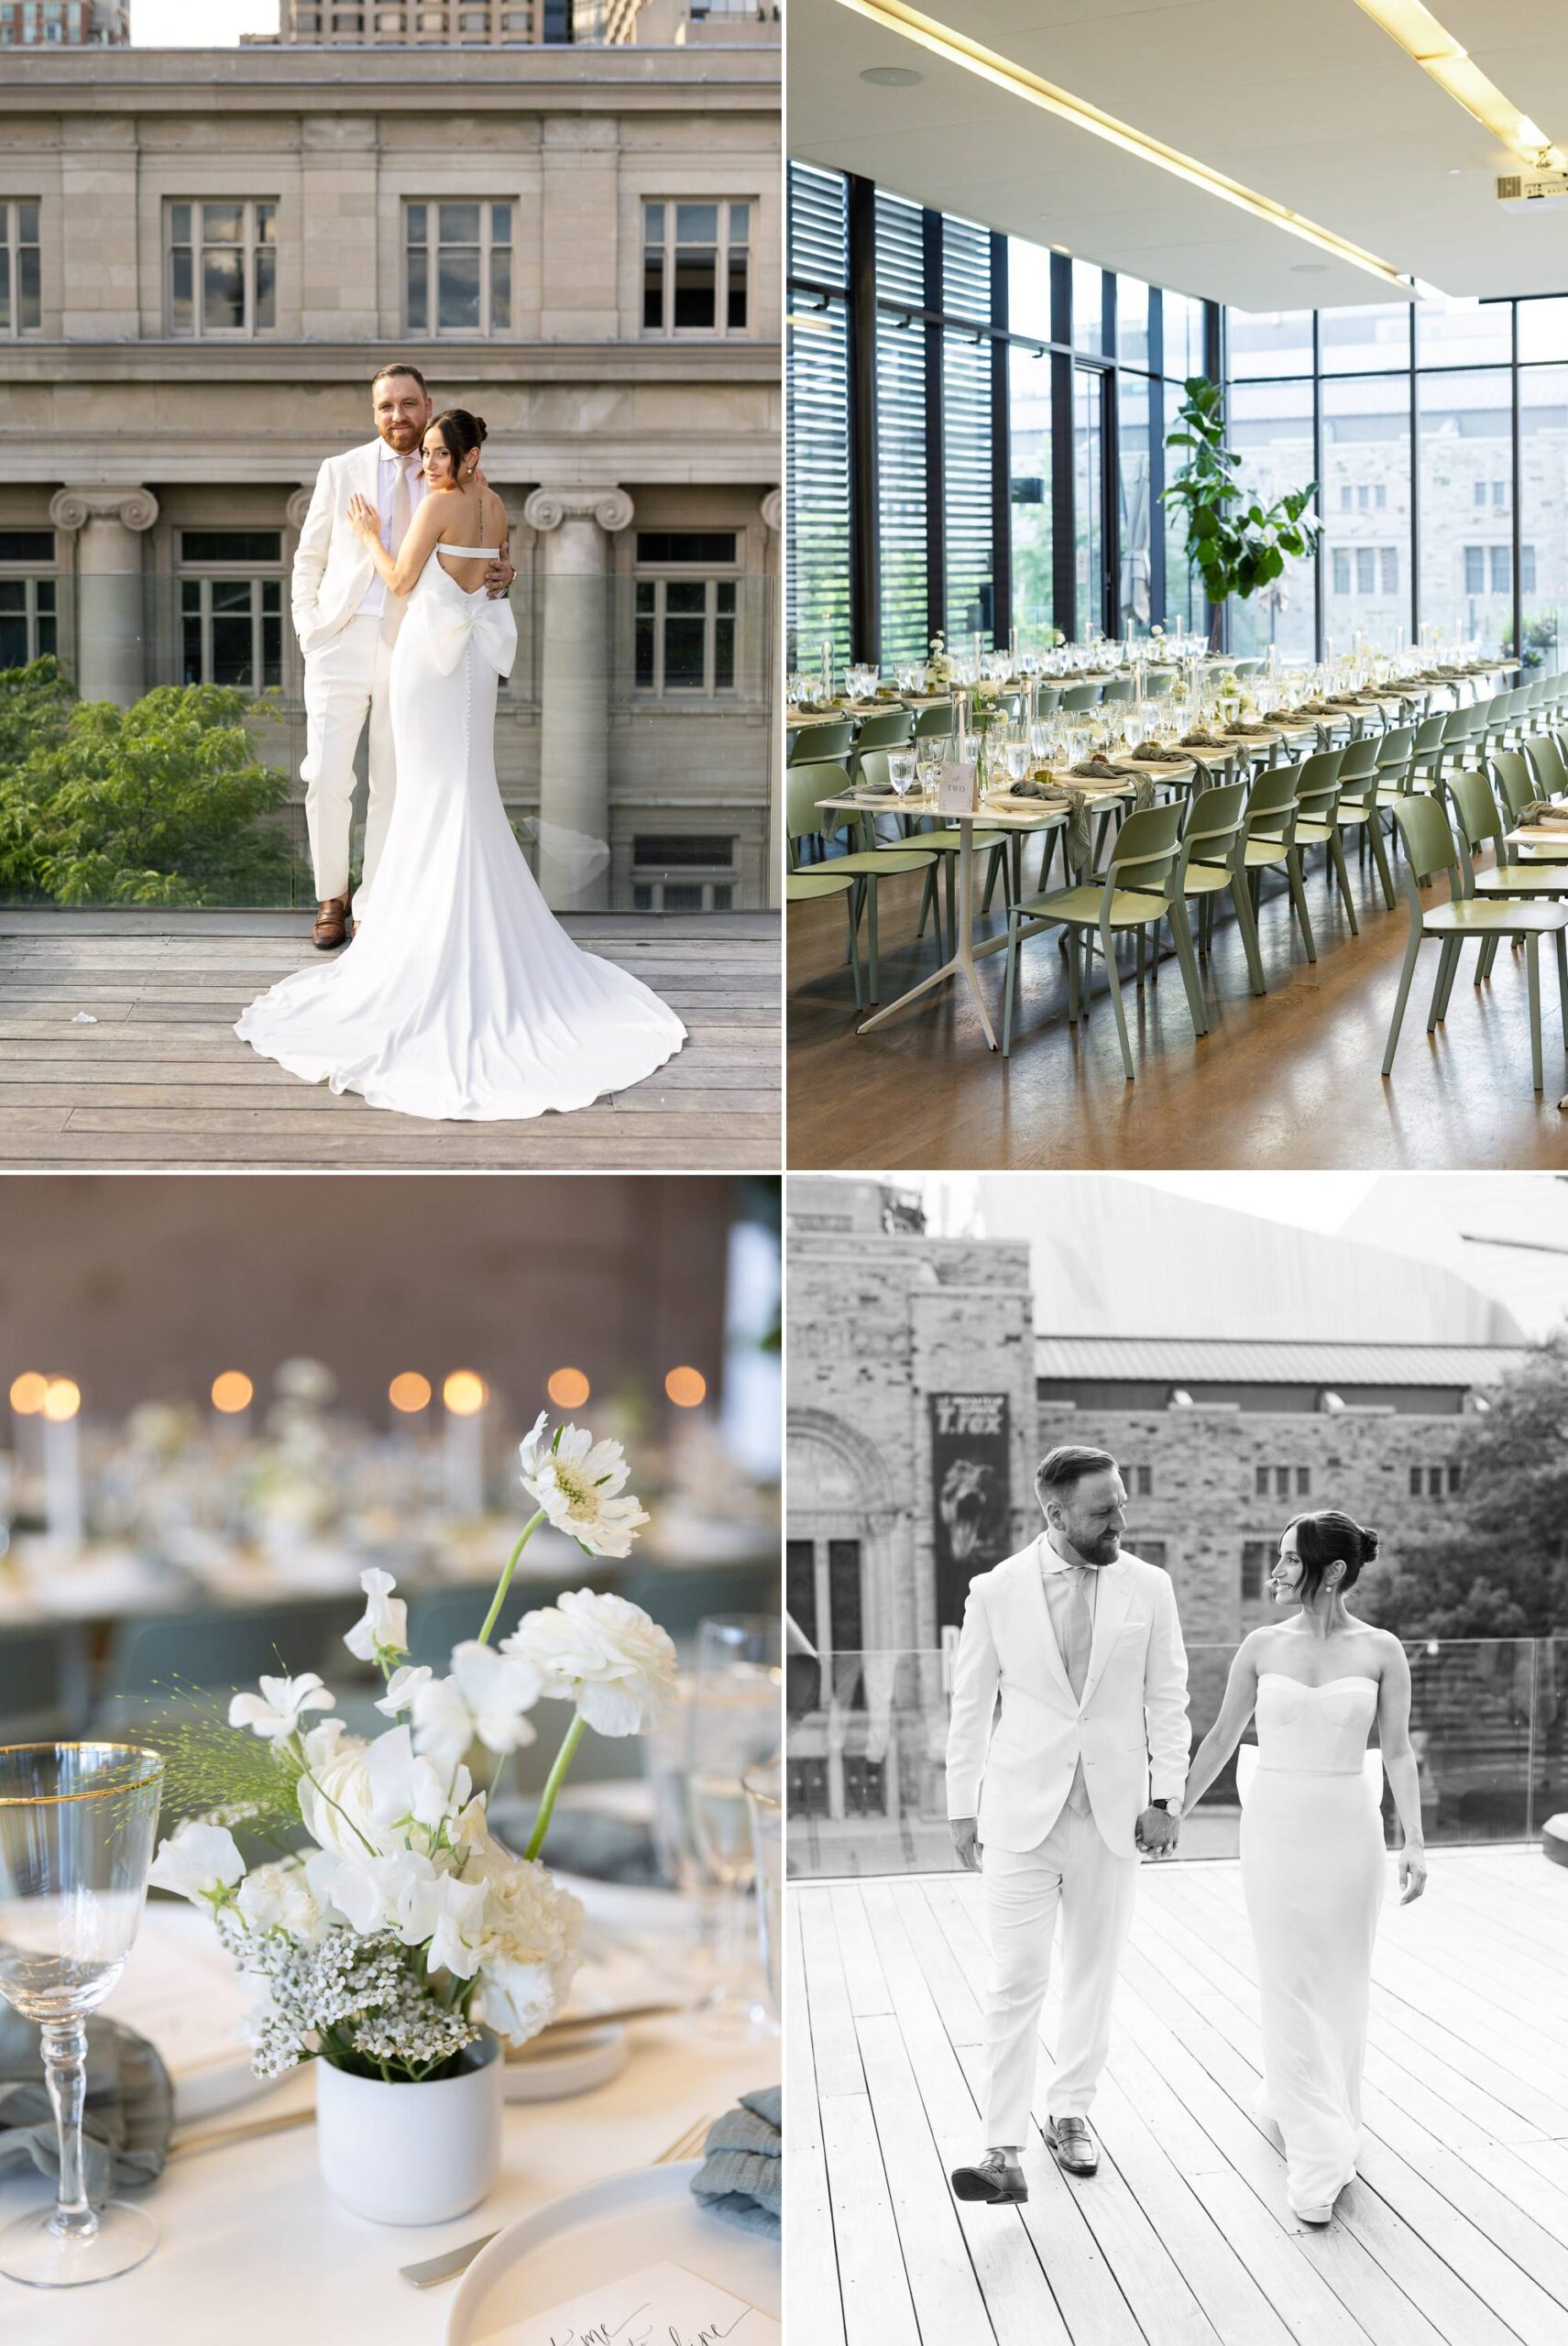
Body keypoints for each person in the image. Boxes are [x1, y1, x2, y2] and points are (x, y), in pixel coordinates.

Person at [236, 407, 686, 1121]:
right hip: (472, 661)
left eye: (441, 454)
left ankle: (419, 942)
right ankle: (440, 921)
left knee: (427, 790)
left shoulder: (441, 505)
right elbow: (497, 576)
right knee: (459, 788)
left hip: (429, 662)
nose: (429, 465)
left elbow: (401, 580)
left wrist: (368, 536)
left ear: (468, 457)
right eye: (430, 456)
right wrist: (497, 574)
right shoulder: (497, 505)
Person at [946, 1445, 1190, 2206]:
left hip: (1116, 1816)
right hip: (1020, 1813)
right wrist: (961, 1804)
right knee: (1016, 1977)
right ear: (1054, 1513)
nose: (1120, 1518)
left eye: (1120, 1502)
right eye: (1103, 1509)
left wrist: (1166, 1796)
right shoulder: (994, 1591)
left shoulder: (1150, 1586)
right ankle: (1000, 2148)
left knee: (1092, 1972)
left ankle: (1070, 2113)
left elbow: (1167, 1700)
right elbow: (969, 1704)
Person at [1179, 1509, 1427, 2226]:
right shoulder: (1259, 1647)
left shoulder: (1382, 1650)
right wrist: (1174, 1811)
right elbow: (1221, 1737)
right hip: (1276, 1831)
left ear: (1334, 1572)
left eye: (1290, 1560)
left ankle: (1327, 2105)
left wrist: (1412, 1840)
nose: (1276, 1571)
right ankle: (1318, 2156)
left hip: (1349, 1833)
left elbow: (1399, 1752)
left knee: (1342, 1978)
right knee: (1286, 1977)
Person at [289, 361, 515, 950]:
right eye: (386, 406)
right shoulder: (340, 471)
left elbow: (484, 548)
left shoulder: (455, 476)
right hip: (338, 639)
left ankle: (375, 902)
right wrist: (309, 627)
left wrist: (505, 571)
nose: (398, 416)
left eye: (409, 404)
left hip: (413, 641)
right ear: (374, 412)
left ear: (427, 405)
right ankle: (331, 896)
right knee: (328, 775)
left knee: (395, 778)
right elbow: (308, 557)